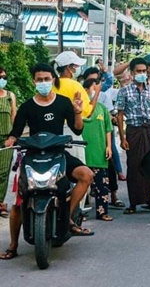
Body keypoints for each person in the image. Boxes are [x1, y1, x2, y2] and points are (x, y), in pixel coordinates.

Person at [1, 63, 96, 260]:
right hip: (32, 156)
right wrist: (11, 140)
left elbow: (77, 130)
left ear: (54, 79)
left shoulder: (63, 103)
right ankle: (12, 245)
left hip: (59, 154)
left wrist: (77, 111)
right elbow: (16, 132)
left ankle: (67, 217)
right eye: (39, 79)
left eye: (47, 79)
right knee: (18, 203)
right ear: (34, 81)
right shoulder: (27, 106)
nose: (43, 82)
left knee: (86, 175)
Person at [115, 58, 150, 214]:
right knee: (134, 167)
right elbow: (120, 115)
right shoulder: (124, 91)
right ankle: (133, 202)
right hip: (133, 131)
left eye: (143, 71)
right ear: (132, 72)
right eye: (138, 71)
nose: (142, 74)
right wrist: (122, 138)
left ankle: (149, 199)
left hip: (148, 130)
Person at [81, 68, 126, 206]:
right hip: (86, 137)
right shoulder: (80, 97)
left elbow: (109, 117)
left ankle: (113, 194)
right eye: (91, 81)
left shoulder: (104, 97)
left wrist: (113, 121)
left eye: (96, 80)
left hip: (103, 134)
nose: (94, 84)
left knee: (110, 163)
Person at [81, 78, 113, 221]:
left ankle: (102, 212)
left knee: (102, 185)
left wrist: (109, 147)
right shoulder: (80, 108)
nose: (96, 91)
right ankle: (78, 214)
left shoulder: (102, 108)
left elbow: (108, 129)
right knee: (81, 186)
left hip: (99, 152)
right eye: (95, 88)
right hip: (83, 153)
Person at [0, 67, 16, 219]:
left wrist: (14, 136)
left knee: (4, 172)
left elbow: (14, 117)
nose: (2, 80)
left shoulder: (10, 96)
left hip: (6, 139)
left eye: (4, 77)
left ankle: (1, 202)